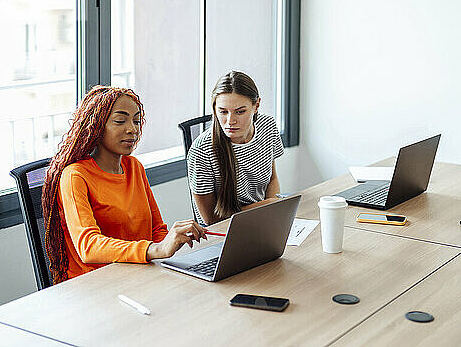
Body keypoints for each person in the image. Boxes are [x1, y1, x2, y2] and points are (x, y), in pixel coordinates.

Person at [42, 85, 206, 284]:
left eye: (136, 121)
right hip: (95, 285)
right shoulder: (75, 175)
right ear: (96, 127)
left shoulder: (134, 167)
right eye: (120, 121)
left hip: (138, 276)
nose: (132, 129)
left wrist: (172, 244)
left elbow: (156, 229)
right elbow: (89, 247)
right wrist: (156, 249)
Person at [187, 71, 284, 225]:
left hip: (263, 219)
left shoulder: (268, 126)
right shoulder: (201, 151)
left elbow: (272, 179)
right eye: (223, 112)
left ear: (256, 105)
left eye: (240, 112)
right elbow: (211, 219)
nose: (230, 121)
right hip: (222, 231)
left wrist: (272, 210)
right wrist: (267, 206)